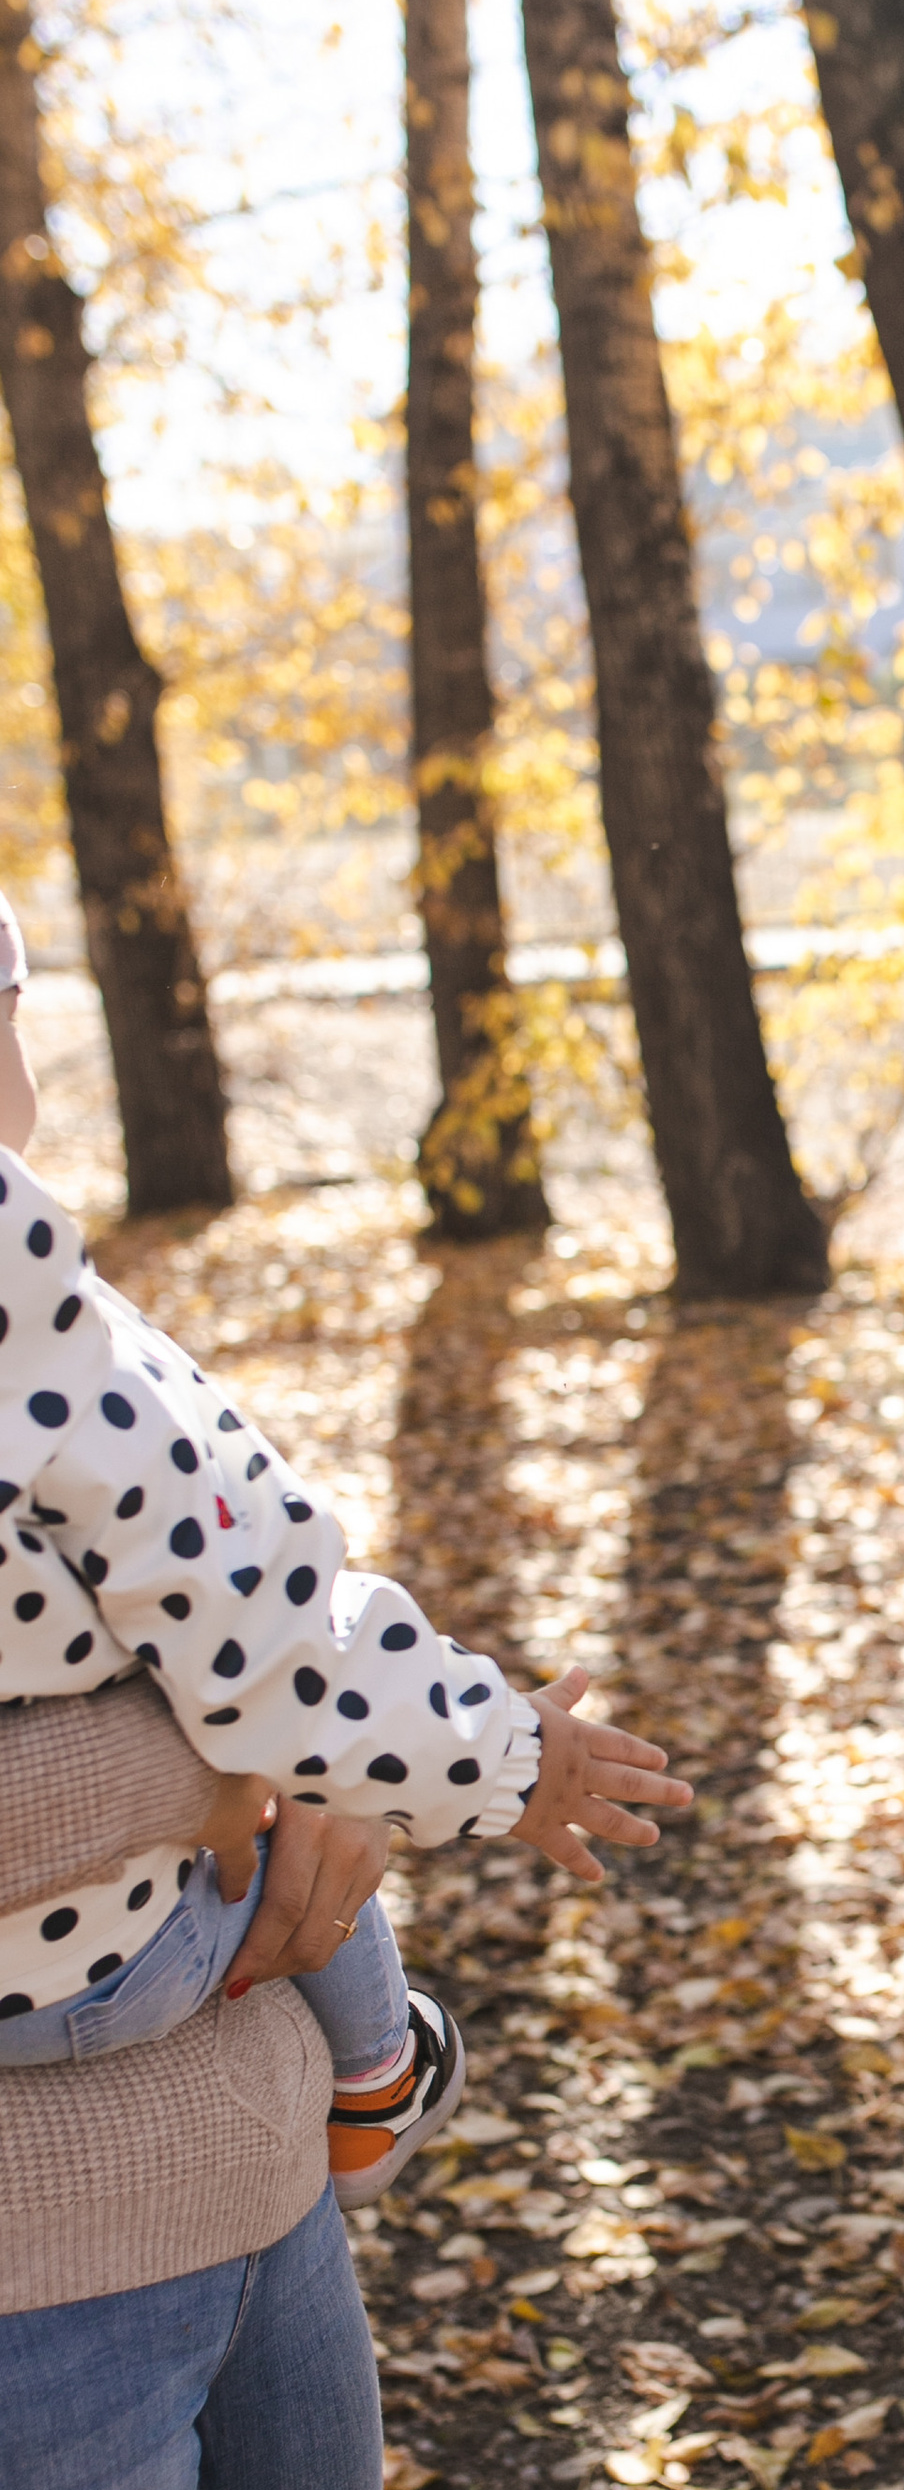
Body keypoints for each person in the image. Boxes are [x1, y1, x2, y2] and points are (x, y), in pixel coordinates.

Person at [0, 920, 685, 2490]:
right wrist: (268, 1762)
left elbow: (240, 1612)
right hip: (25, 2274)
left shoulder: (59, 1324)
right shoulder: (49, 1352)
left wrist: (282, 1773)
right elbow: (256, 1644)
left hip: (235, 2154)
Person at [0, 892, 622, 2193]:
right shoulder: (35, 1322)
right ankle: (378, 2069)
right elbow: (277, 1642)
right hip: (97, 1970)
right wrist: (508, 1756)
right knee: (304, 1746)